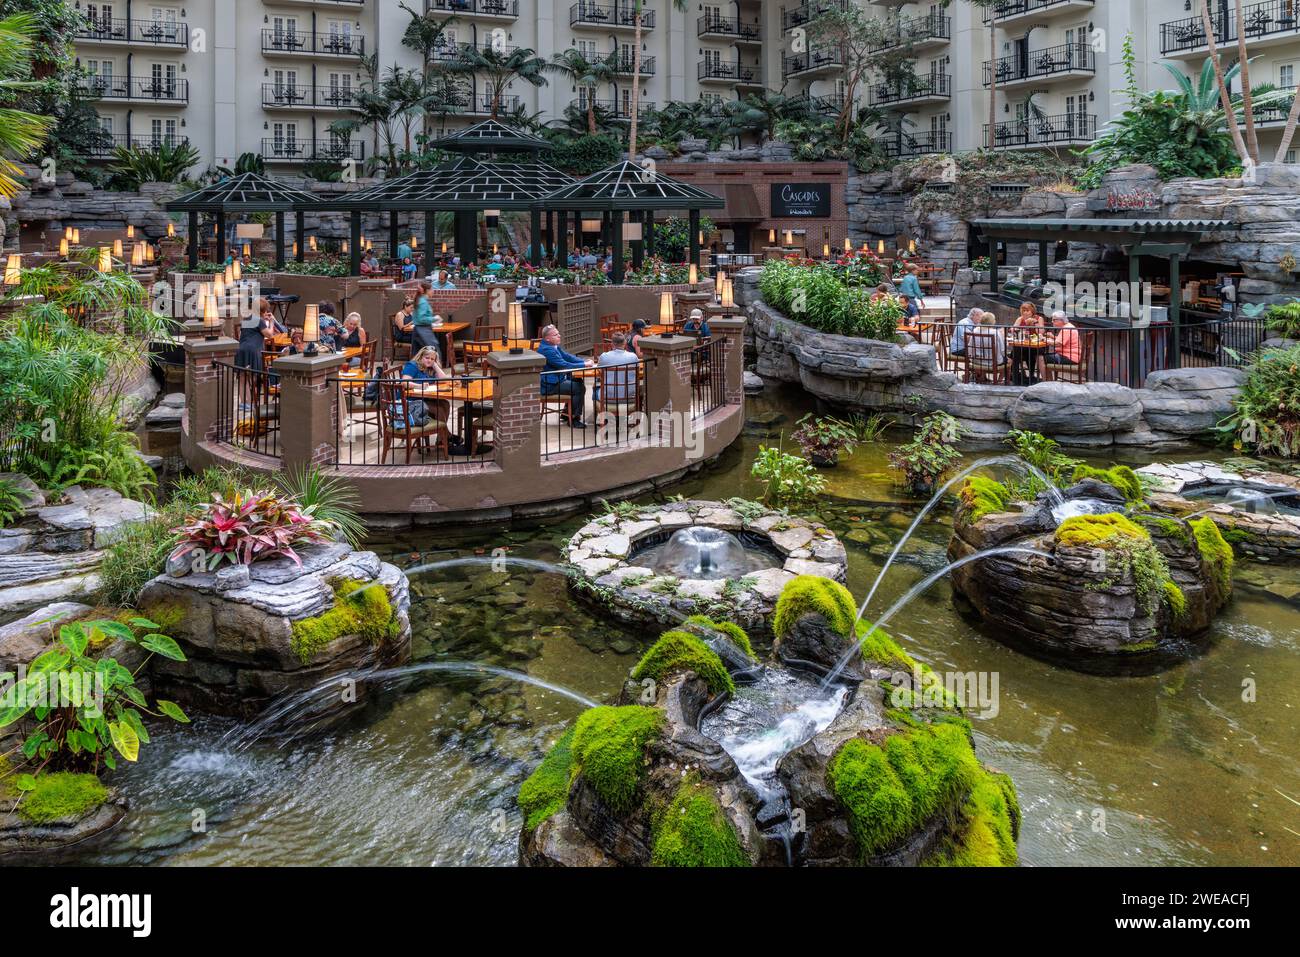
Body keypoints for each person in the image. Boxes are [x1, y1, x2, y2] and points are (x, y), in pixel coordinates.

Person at [537, 323, 593, 428]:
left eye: (558, 333)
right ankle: (574, 419)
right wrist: (584, 364)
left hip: (557, 379)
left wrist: (584, 361)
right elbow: (564, 365)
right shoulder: (547, 350)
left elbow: (568, 357)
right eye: (555, 335)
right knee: (579, 388)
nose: (559, 336)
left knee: (577, 380)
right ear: (547, 338)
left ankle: (566, 414)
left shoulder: (553, 346)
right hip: (550, 385)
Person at [235, 297, 276, 408]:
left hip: (241, 349)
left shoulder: (247, 319)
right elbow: (270, 335)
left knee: (242, 378)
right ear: (262, 310)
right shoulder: (259, 321)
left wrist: (263, 318)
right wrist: (271, 322)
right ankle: (249, 403)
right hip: (252, 351)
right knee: (251, 378)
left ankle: (244, 403)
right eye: (265, 310)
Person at [596, 332, 639, 408]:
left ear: (612, 344)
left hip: (608, 397)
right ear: (625, 343)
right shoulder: (633, 357)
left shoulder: (604, 356)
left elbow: (599, 371)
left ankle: (600, 417)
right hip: (630, 397)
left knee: (595, 389)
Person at [410, 281, 443, 362]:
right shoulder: (423, 302)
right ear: (427, 291)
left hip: (419, 329)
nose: (433, 291)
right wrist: (434, 318)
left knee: (418, 354)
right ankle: (435, 372)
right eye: (432, 289)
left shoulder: (421, 300)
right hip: (423, 330)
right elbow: (422, 318)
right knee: (433, 351)